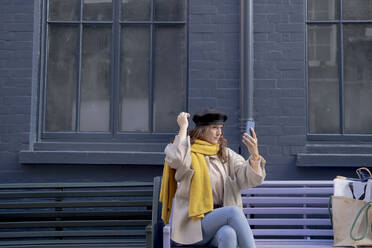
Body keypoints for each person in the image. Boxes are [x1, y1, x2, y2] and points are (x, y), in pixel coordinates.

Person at [159, 109, 266, 248]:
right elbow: (175, 159)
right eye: (214, 127)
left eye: (220, 128)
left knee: (229, 234)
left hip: (219, 224)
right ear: (202, 130)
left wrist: (255, 155)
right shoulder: (188, 153)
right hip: (194, 225)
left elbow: (249, 179)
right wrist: (183, 128)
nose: (219, 132)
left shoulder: (225, 154)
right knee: (233, 211)